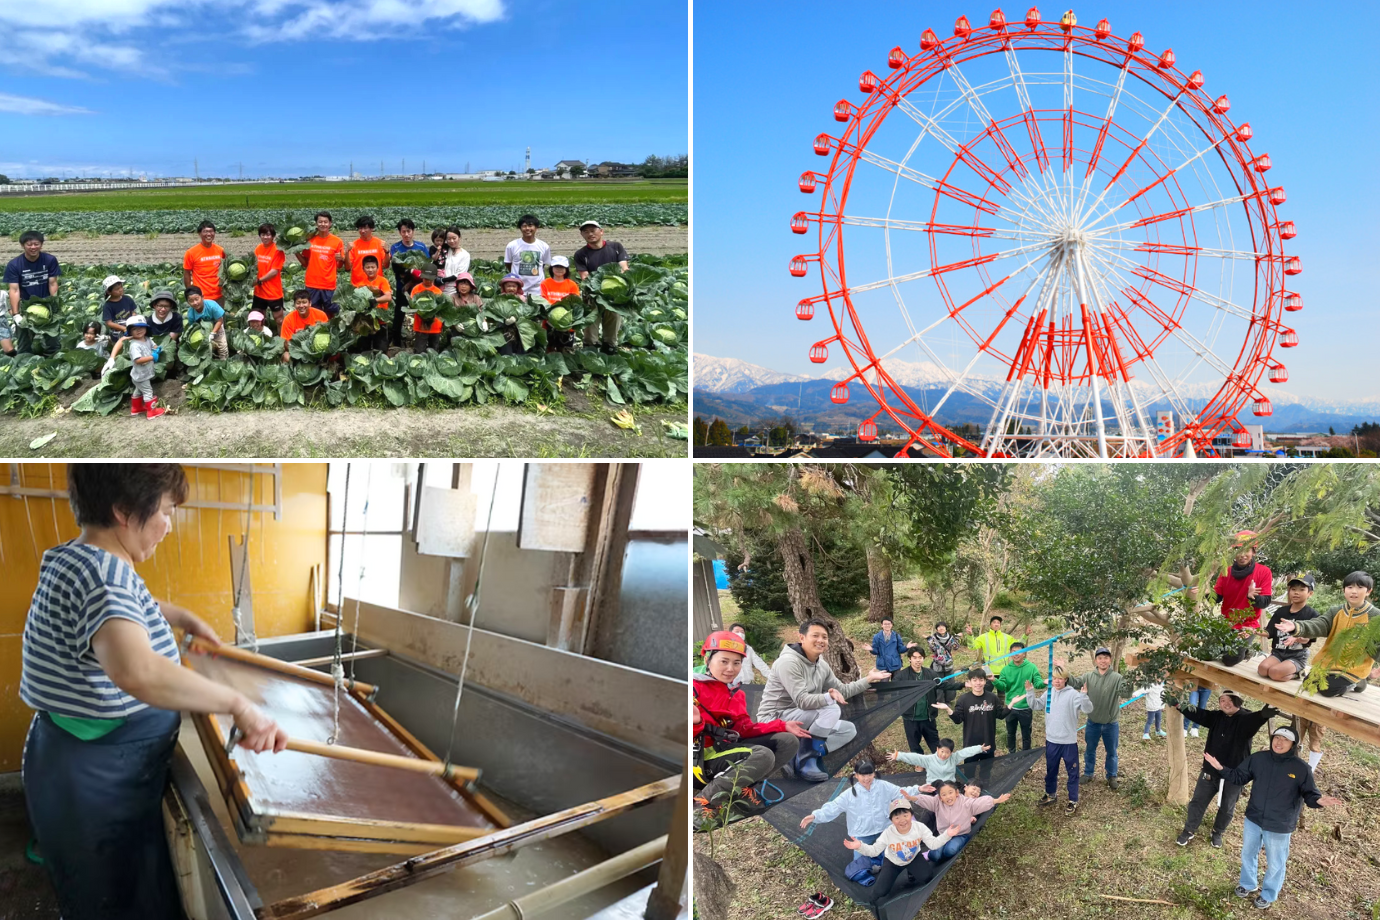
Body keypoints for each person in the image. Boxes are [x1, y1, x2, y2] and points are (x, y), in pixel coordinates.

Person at [20, 464, 289, 920]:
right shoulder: (106, 577)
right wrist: (237, 704)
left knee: (117, 891)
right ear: (125, 510)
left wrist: (181, 616)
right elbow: (137, 671)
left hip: (72, 757)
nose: (168, 526)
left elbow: (131, 603)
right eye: (165, 511)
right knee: (115, 902)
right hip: (97, 774)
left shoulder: (78, 556)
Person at [1206, 727, 1343, 910]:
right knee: (1248, 853)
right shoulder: (1258, 758)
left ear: (1293, 744)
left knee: (1276, 862)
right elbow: (1239, 777)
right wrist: (1220, 768)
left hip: (1280, 824)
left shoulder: (1301, 768)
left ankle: (1268, 894)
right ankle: (1248, 884)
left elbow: (1310, 794)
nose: (1279, 742)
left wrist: (1319, 800)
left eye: (1285, 740)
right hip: (1254, 817)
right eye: (1276, 738)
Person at [692, 630, 810, 831]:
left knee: (788, 741)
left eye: (736, 663)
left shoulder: (734, 692)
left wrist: (782, 725)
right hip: (699, 760)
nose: (731, 669)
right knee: (762, 755)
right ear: (707, 658)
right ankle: (702, 804)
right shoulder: (692, 688)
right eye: (724, 661)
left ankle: (739, 789)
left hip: (724, 750)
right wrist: (695, 724)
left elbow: (743, 729)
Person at [756, 619, 890, 782]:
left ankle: (799, 753)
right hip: (774, 720)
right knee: (831, 708)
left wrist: (868, 679)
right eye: (815, 635)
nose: (821, 640)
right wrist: (828, 697)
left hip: (799, 718)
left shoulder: (821, 665)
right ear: (802, 637)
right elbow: (803, 701)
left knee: (848, 730)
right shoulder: (788, 662)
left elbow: (843, 691)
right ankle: (806, 761)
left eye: (824, 637)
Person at [1173, 689, 1280, 848]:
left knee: (1227, 807)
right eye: (1222, 700)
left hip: (1233, 775)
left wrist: (1262, 715)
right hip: (1210, 771)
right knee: (1197, 802)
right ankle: (1189, 830)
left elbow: (1254, 720)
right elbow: (1198, 714)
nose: (1226, 704)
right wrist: (1178, 705)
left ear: (1238, 702)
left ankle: (1217, 832)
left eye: (1230, 700)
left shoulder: (1245, 719)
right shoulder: (1216, 717)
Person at [1273, 570, 1379, 697]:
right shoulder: (1335, 611)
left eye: (1359, 587)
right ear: (1344, 590)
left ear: (1368, 591)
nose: (1354, 591)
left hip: (1353, 667)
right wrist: (1297, 626)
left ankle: (1357, 681)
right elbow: (1320, 624)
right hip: (1328, 663)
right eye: (1350, 587)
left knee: (1328, 690)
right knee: (1308, 684)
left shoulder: (1375, 616)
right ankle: (1356, 681)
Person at [844, 800, 960, 904]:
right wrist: (860, 846)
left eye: (905, 815)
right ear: (891, 820)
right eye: (897, 818)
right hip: (893, 862)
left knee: (927, 877)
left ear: (911, 815)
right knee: (881, 891)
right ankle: (869, 902)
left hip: (913, 858)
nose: (902, 820)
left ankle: (911, 871)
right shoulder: (888, 833)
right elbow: (874, 851)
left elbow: (933, 844)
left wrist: (947, 835)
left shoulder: (919, 827)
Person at [797, 760, 923, 844]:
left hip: (885, 830)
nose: (866, 778)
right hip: (862, 836)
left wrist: (918, 789)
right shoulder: (849, 794)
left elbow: (901, 792)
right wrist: (815, 816)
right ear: (856, 775)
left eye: (869, 774)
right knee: (862, 866)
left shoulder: (883, 786)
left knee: (894, 859)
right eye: (862, 775)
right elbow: (834, 807)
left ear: (874, 773)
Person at [1059, 647, 1130, 788]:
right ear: (1095, 660)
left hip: (1111, 724)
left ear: (1110, 660)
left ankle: (1112, 776)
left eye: (1106, 658)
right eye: (1100, 658)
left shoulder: (1117, 678)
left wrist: (1130, 681)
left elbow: (1126, 693)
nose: (1103, 661)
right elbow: (1074, 682)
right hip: (1093, 723)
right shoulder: (1088, 677)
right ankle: (1088, 773)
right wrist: (1063, 669)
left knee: (1112, 752)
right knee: (1090, 749)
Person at [1027, 668, 1094, 814]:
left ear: (1065, 679)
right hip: (1052, 740)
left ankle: (1073, 800)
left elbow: (1088, 709)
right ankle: (1051, 794)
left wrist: (1084, 695)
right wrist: (1030, 692)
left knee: (1073, 772)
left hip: (1068, 742)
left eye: (1060, 678)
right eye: (1054, 678)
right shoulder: (1048, 693)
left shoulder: (1073, 695)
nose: (1056, 681)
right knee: (1051, 770)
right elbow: (1036, 705)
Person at [906, 781, 1011, 862]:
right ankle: (931, 853)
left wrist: (995, 801)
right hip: (944, 834)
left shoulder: (966, 802)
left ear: (956, 793)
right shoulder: (937, 802)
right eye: (944, 795)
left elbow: (979, 803)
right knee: (935, 856)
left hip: (960, 834)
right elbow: (925, 800)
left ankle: (952, 845)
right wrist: (912, 798)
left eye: (950, 793)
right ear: (940, 797)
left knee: (949, 850)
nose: (948, 797)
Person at [1212, 532, 1274, 657]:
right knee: (1207, 654)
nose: (1242, 555)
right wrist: (1207, 593)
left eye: (1246, 550)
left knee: (1229, 659)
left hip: (1247, 626)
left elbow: (1265, 602)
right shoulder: (1226, 571)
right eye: (1238, 550)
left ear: (1254, 552)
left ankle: (1246, 650)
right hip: (1226, 623)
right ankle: (1243, 650)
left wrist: (1253, 596)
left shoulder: (1263, 572)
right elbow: (1217, 598)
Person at [572, 220, 629, 350]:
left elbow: (624, 268)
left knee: (612, 324)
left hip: (614, 296)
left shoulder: (616, 247)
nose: (590, 234)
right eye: (586, 232)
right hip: (591, 295)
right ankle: (590, 351)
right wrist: (598, 289)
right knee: (590, 327)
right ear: (582, 235)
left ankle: (610, 349)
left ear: (601, 231)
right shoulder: (581, 254)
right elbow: (585, 277)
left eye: (593, 230)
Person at [5, 229, 61, 354]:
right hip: (25, 306)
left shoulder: (49, 260)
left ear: (41, 244)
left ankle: (53, 358)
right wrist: (16, 314)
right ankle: (25, 360)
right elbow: (14, 290)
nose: (33, 247)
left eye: (36, 244)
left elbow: (52, 283)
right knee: (24, 343)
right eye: (29, 244)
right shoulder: (14, 264)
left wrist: (54, 305)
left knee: (53, 340)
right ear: (22, 245)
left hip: (46, 304)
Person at [934, 668, 1007, 761]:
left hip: (988, 742)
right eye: (975, 680)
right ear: (969, 682)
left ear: (985, 681)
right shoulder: (963, 699)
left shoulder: (992, 698)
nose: (978, 683)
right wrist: (948, 709)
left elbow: (1000, 715)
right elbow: (958, 720)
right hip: (970, 743)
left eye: (981, 680)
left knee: (986, 771)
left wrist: (1011, 705)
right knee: (969, 771)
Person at [107, 315, 166, 419]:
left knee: (138, 391)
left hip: (142, 373)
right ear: (129, 331)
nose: (139, 331)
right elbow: (137, 360)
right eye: (134, 329)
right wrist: (152, 357)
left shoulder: (147, 339)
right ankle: (152, 412)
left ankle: (136, 408)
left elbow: (154, 345)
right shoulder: (134, 345)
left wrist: (157, 349)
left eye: (141, 327)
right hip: (141, 375)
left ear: (146, 329)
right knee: (148, 392)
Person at [991, 642, 1045, 752]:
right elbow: (1003, 686)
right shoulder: (1006, 669)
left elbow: (1038, 683)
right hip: (1011, 707)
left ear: (1024, 654)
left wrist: (1045, 682)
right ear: (1010, 654)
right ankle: (1012, 754)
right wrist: (994, 680)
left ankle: (1026, 757)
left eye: (1019, 652)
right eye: (1013, 652)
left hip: (1026, 706)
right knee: (1010, 733)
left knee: (1026, 734)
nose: (1016, 654)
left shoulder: (1031, 667)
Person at [892, 647, 943, 754]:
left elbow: (944, 685)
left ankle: (939, 760)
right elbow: (891, 689)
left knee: (934, 741)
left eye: (920, 657)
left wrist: (963, 684)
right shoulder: (902, 676)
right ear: (909, 659)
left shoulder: (930, 674)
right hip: (911, 718)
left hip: (928, 717)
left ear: (923, 658)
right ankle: (919, 763)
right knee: (914, 743)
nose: (917, 660)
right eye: (914, 657)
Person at [389, 219, 430, 347]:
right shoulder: (395, 247)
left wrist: (411, 275)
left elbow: (427, 266)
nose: (406, 234)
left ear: (413, 232)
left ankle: (422, 340)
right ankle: (396, 341)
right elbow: (397, 269)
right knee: (399, 314)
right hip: (402, 287)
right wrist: (411, 271)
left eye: (408, 231)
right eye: (403, 231)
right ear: (400, 233)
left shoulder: (421, 246)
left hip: (419, 286)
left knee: (423, 312)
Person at [297, 212, 346, 315]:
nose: (323, 224)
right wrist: (295, 251)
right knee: (314, 313)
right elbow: (305, 263)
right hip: (312, 284)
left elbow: (340, 265)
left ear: (330, 224)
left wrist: (341, 259)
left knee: (331, 313)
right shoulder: (310, 241)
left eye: (325, 222)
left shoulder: (337, 241)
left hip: (329, 284)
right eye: (320, 222)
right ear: (316, 224)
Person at [887, 737, 987, 783]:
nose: (944, 755)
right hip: (934, 787)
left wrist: (979, 748)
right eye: (942, 751)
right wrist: (898, 755)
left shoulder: (954, 758)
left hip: (950, 785)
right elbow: (915, 758)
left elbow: (965, 752)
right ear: (937, 749)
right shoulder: (929, 760)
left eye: (947, 752)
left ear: (951, 753)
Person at [965, 615, 1030, 677]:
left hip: (1004, 671)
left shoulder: (1006, 637)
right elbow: (972, 647)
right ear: (990, 625)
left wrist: (1026, 635)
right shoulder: (983, 637)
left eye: (998, 623)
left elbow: (1019, 645)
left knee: (1003, 688)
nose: (996, 624)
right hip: (988, 671)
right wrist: (970, 635)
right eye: (994, 622)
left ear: (1000, 625)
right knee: (987, 689)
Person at [504, 214, 552, 297]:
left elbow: (542, 265)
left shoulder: (544, 246)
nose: (527, 229)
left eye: (530, 225)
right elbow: (508, 263)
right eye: (524, 226)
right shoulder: (512, 245)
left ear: (536, 228)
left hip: (537, 290)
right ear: (520, 228)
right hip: (517, 290)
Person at [354, 256, 393, 352]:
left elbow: (388, 297)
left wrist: (375, 301)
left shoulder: (382, 281)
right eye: (367, 267)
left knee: (381, 349)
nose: (370, 270)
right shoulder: (361, 284)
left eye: (372, 267)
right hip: (366, 322)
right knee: (364, 349)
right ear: (363, 269)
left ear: (377, 268)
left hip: (381, 321)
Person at [279, 290, 330, 363]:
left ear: (310, 303)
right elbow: (286, 343)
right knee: (286, 356)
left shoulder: (321, 315)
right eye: (298, 303)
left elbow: (328, 333)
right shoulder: (288, 319)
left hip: (319, 352)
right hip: (299, 352)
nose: (301, 306)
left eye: (304, 302)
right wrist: (303, 350)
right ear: (294, 305)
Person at [252, 223, 286, 328]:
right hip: (259, 292)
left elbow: (274, 271)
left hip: (273, 292)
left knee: (279, 319)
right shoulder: (258, 248)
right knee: (259, 319)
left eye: (268, 235)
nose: (265, 237)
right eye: (263, 234)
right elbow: (253, 267)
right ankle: (262, 339)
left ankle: (282, 341)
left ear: (273, 236)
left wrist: (259, 280)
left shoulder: (278, 250)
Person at [182, 220, 225, 302]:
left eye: (211, 231)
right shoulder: (191, 252)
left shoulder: (221, 251)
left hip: (219, 294)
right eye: (205, 231)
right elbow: (187, 273)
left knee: (219, 315)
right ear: (199, 234)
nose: (209, 234)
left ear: (214, 233)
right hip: (201, 295)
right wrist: (190, 292)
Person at [406, 269, 446, 354]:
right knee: (419, 351)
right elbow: (412, 305)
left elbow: (441, 308)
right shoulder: (416, 289)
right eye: (425, 278)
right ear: (421, 277)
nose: (427, 281)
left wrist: (431, 315)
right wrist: (423, 314)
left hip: (435, 325)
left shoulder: (438, 291)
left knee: (434, 351)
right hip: (420, 326)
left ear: (435, 278)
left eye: (430, 279)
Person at [183, 287, 227, 361]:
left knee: (222, 346)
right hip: (202, 331)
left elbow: (220, 320)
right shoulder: (190, 313)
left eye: (197, 299)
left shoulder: (212, 305)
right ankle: (209, 361)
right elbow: (193, 327)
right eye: (191, 301)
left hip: (217, 326)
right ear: (188, 302)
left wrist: (213, 332)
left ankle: (224, 361)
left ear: (202, 297)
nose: (195, 303)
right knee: (206, 350)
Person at [346, 215, 390, 287]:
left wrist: (387, 252)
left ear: (372, 229)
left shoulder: (379, 244)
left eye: (365, 228)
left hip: (376, 285)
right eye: (360, 228)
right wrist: (347, 252)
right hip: (358, 285)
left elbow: (386, 265)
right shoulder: (354, 245)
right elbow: (347, 267)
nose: (362, 231)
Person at [926, 621, 962, 704]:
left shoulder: (951, 638)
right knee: (939, 682)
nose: (941, 628)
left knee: (950, 682)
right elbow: (933, 649)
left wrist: (956, 638)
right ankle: (939, 700)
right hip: (937, 664)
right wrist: (929, 640)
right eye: (939, 627)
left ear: (946, 628)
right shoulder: (933, 638)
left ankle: (949, 700)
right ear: (936, 629)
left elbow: (956, 647)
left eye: (943, 626)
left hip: (948, 664)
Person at [434, 226, 471, 297]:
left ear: (459, 237)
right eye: (449, 239)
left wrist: (443, 280)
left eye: (454, 238)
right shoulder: (445, 250)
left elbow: (459, 275)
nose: (451, 241)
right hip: (439, 288)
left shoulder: (465, 255)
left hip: (454, 290)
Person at [101, 275, 138, 344]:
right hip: (117, 331)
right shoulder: (108, 306)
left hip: (131, 326)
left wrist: (133, 321)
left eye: (121, 287)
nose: (120, 290)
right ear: (109, 292)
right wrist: (123, 328)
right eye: (117, 289)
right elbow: (109, 323)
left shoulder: (128, 299)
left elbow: (133, 312)